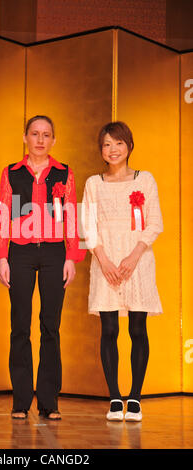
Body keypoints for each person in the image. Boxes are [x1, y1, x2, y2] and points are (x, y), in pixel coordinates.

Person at [0, 115, 85, 420]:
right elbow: (4, 214)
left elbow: (71, 215)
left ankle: (49, 401)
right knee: (20, 326)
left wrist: (71, 256)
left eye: (46, 134)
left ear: (54, 140)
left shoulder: (64, 173)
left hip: (53, 253)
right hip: (18, 252)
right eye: (35, 133)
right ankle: (20, 401)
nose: (40, 139)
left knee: (51, 326)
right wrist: (2, 256)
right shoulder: (10, 172)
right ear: (25, 137)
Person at [81, 121, 163, 422]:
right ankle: (115, 397)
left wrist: (133, 257)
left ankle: (136, 398)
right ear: (100, 149)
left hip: (137, 262)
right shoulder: (93, 183)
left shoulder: (146, 180)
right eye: (106, 144)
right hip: (106, 262)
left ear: (129, 145)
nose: (112, 149)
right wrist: (102, 259)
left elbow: (154, 223)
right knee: (110, 329)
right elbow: (87, 226)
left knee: (138, 328)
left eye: (118, 143)